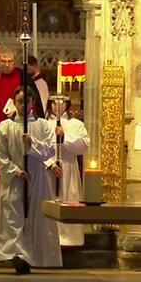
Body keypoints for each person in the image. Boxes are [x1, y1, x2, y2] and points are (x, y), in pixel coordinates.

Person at [0, 86, 62, 274]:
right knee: (13, 217)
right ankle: (17, 255)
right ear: (14, 103)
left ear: (32, 103)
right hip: (15, 178)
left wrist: (32, 144)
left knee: (34, 217)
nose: (22, 105)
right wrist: (15, 171)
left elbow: (50, 151)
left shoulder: (42, 125)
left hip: (37, 178)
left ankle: (32, 255)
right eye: (19, 101)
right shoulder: (6, 126)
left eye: (26, 101)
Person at [0, 48, 45, 195]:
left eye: (10, 62)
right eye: (3, 62)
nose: (7, 65)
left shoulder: (23, 76)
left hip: (20, 129)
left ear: (15, 62)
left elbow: (33, 102)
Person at [47, 98, 89, 247]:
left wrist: (64, 136)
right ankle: (49, 238)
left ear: (67, 104)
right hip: (49, 170)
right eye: (53, 103)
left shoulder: (76, 124)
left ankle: (70, 239)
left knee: (69, 200)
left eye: (61, 103)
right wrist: (49, 163)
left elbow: (83, 145)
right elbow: (38, 148)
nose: (57, 106)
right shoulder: (44, 124)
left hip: (69, 167)